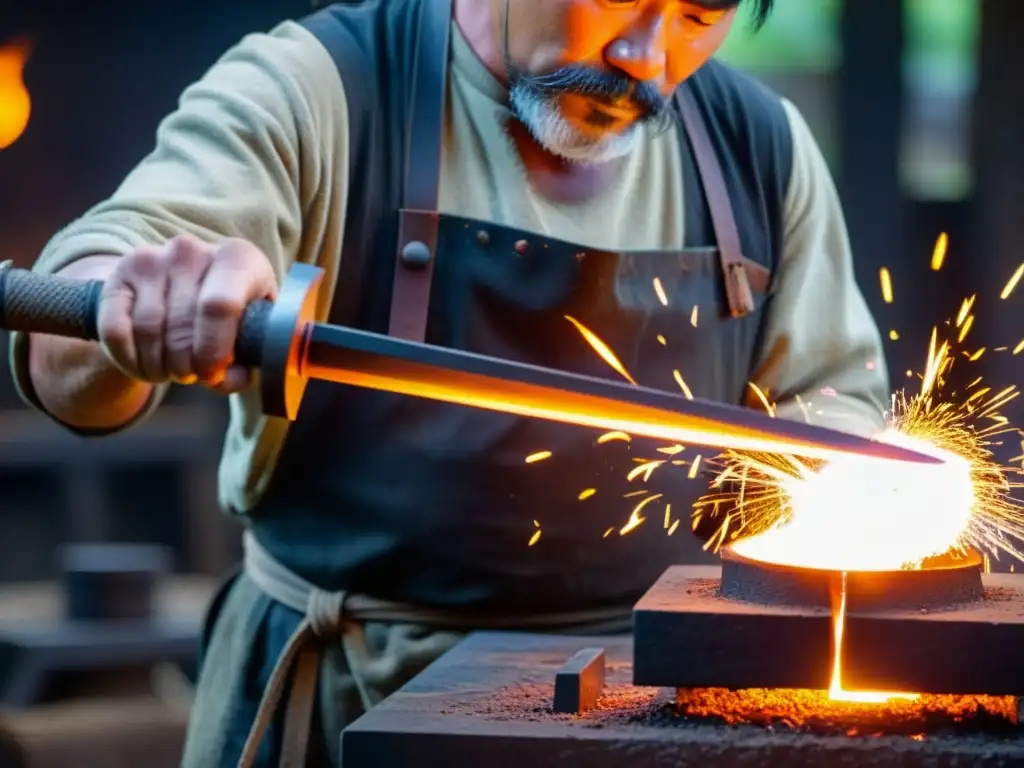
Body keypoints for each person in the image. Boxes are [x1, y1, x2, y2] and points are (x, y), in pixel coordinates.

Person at [9, 0, 890, 765]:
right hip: (348, 704)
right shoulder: (322, 85)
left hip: (653, 713)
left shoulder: (759, 147)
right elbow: (78, 327)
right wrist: (137, 301)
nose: (646, 58)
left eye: (700, 15)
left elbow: (831, 412)